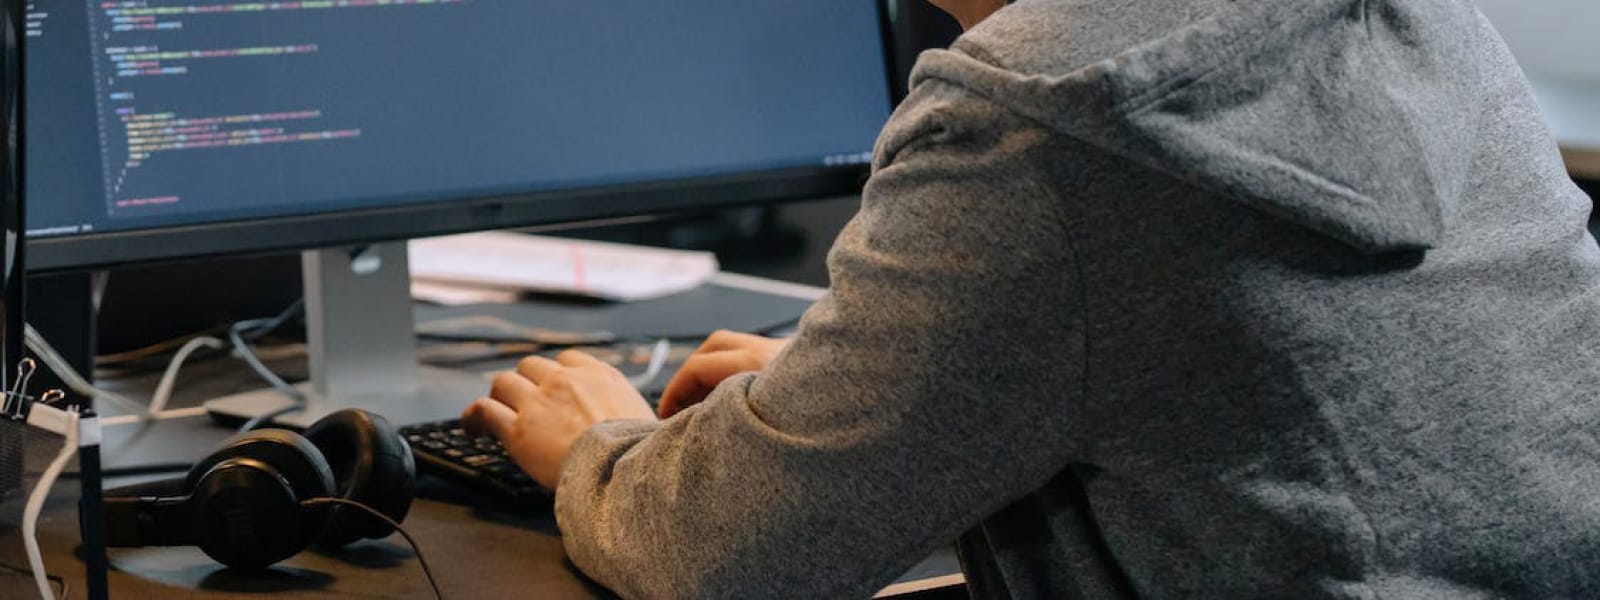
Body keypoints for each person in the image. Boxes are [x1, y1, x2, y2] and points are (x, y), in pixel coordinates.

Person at [462, 0, 1600, 596]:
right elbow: (1239, 364)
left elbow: (724, 560)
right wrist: (889, 392)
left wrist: (598, 443)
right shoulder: (1405, 19)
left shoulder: (1037, 113)